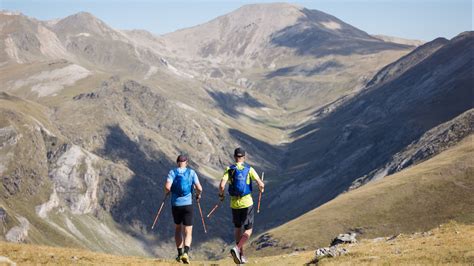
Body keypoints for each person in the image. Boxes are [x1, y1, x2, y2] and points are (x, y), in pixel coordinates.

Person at [218, 147, 264, 264]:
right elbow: (260, 183)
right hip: (247, 202)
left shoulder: (229, 169)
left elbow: (222, 186)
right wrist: (261, 188)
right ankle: (237, 249)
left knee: (238, 228)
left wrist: (221, 196)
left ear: (234, 157)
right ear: (244, 157)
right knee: (248, 230)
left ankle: (241, 256)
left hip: (234, 204)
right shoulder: (249, 169)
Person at [165, 155, 202, 264]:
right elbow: (199, 188)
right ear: (186, 162)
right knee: (188, 231)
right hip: (188, 205)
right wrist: (198, 195)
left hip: (176, 205)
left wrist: (167, 192)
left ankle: (179, 254)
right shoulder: (191, 173)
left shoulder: (172, 172)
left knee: (178, 228)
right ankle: (186, 252)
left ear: (177, 163)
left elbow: (167, 187)